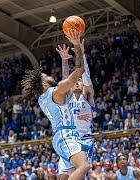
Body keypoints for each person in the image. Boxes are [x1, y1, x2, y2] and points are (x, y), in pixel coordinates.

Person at [22, 29, 90, 180]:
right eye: (45, 75)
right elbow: (79, 71)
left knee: (68, 176)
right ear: (43, 83)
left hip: (62, 135)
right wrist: (77, 46)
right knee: (84, 166)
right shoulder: (55, 92)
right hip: (66, 135)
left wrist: (65, 60)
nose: (48, 74)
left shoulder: (44, 97)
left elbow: (65, 84)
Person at [56, 39, 95, 180]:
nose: (78, 83)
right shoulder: (67, 98)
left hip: (84, 140)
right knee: (62, 177)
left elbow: (87, 78)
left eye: (80, 82)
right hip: (68, 140)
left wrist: (81, 54)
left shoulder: (88, 95)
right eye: (75, 82)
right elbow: (65, 79)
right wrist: (65, 60)